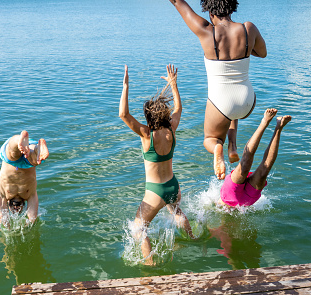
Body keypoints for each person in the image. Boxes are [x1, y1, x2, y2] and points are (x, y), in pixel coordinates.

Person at [169, 0, 267, 180]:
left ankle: (218, 148)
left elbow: (177, 2)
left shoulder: (206, 30)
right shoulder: (248, 28)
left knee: (210, 139)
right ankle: (232, 146)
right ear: (232, 7)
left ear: (210, 12)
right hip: (247, 99)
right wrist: (244, 48)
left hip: (221, 101)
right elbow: (262, 53)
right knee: (233, 115)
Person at [119, 64, 195, 265]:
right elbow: (178, 108)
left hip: (155, 192)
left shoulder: (146, 135)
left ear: (148, 118)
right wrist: (173, 84)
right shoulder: (172, 129)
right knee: (177, 212)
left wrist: (125, 85)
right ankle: (193, 239)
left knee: (138, 228)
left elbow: (123, 115)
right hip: (173, 185)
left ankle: (149, 263)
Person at [218, 108, 291, 207]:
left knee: (245, 164)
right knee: (264, 170)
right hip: (248, 200)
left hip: (229, 195)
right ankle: (279, 127)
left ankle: (264, 122)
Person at [0, 130, 49, 227]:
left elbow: (2, 216)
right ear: (24, 205)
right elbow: (32, 217)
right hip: (29, 161)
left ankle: (19, 140)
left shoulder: (3, 194)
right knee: (34, 159)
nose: (16, 209)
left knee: (13, 152)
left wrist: (7, 227)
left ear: (8, 204)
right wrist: (29, 224)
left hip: (12, 161)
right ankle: (38, 149)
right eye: (19, 210)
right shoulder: (29, 195)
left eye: (14, 210)